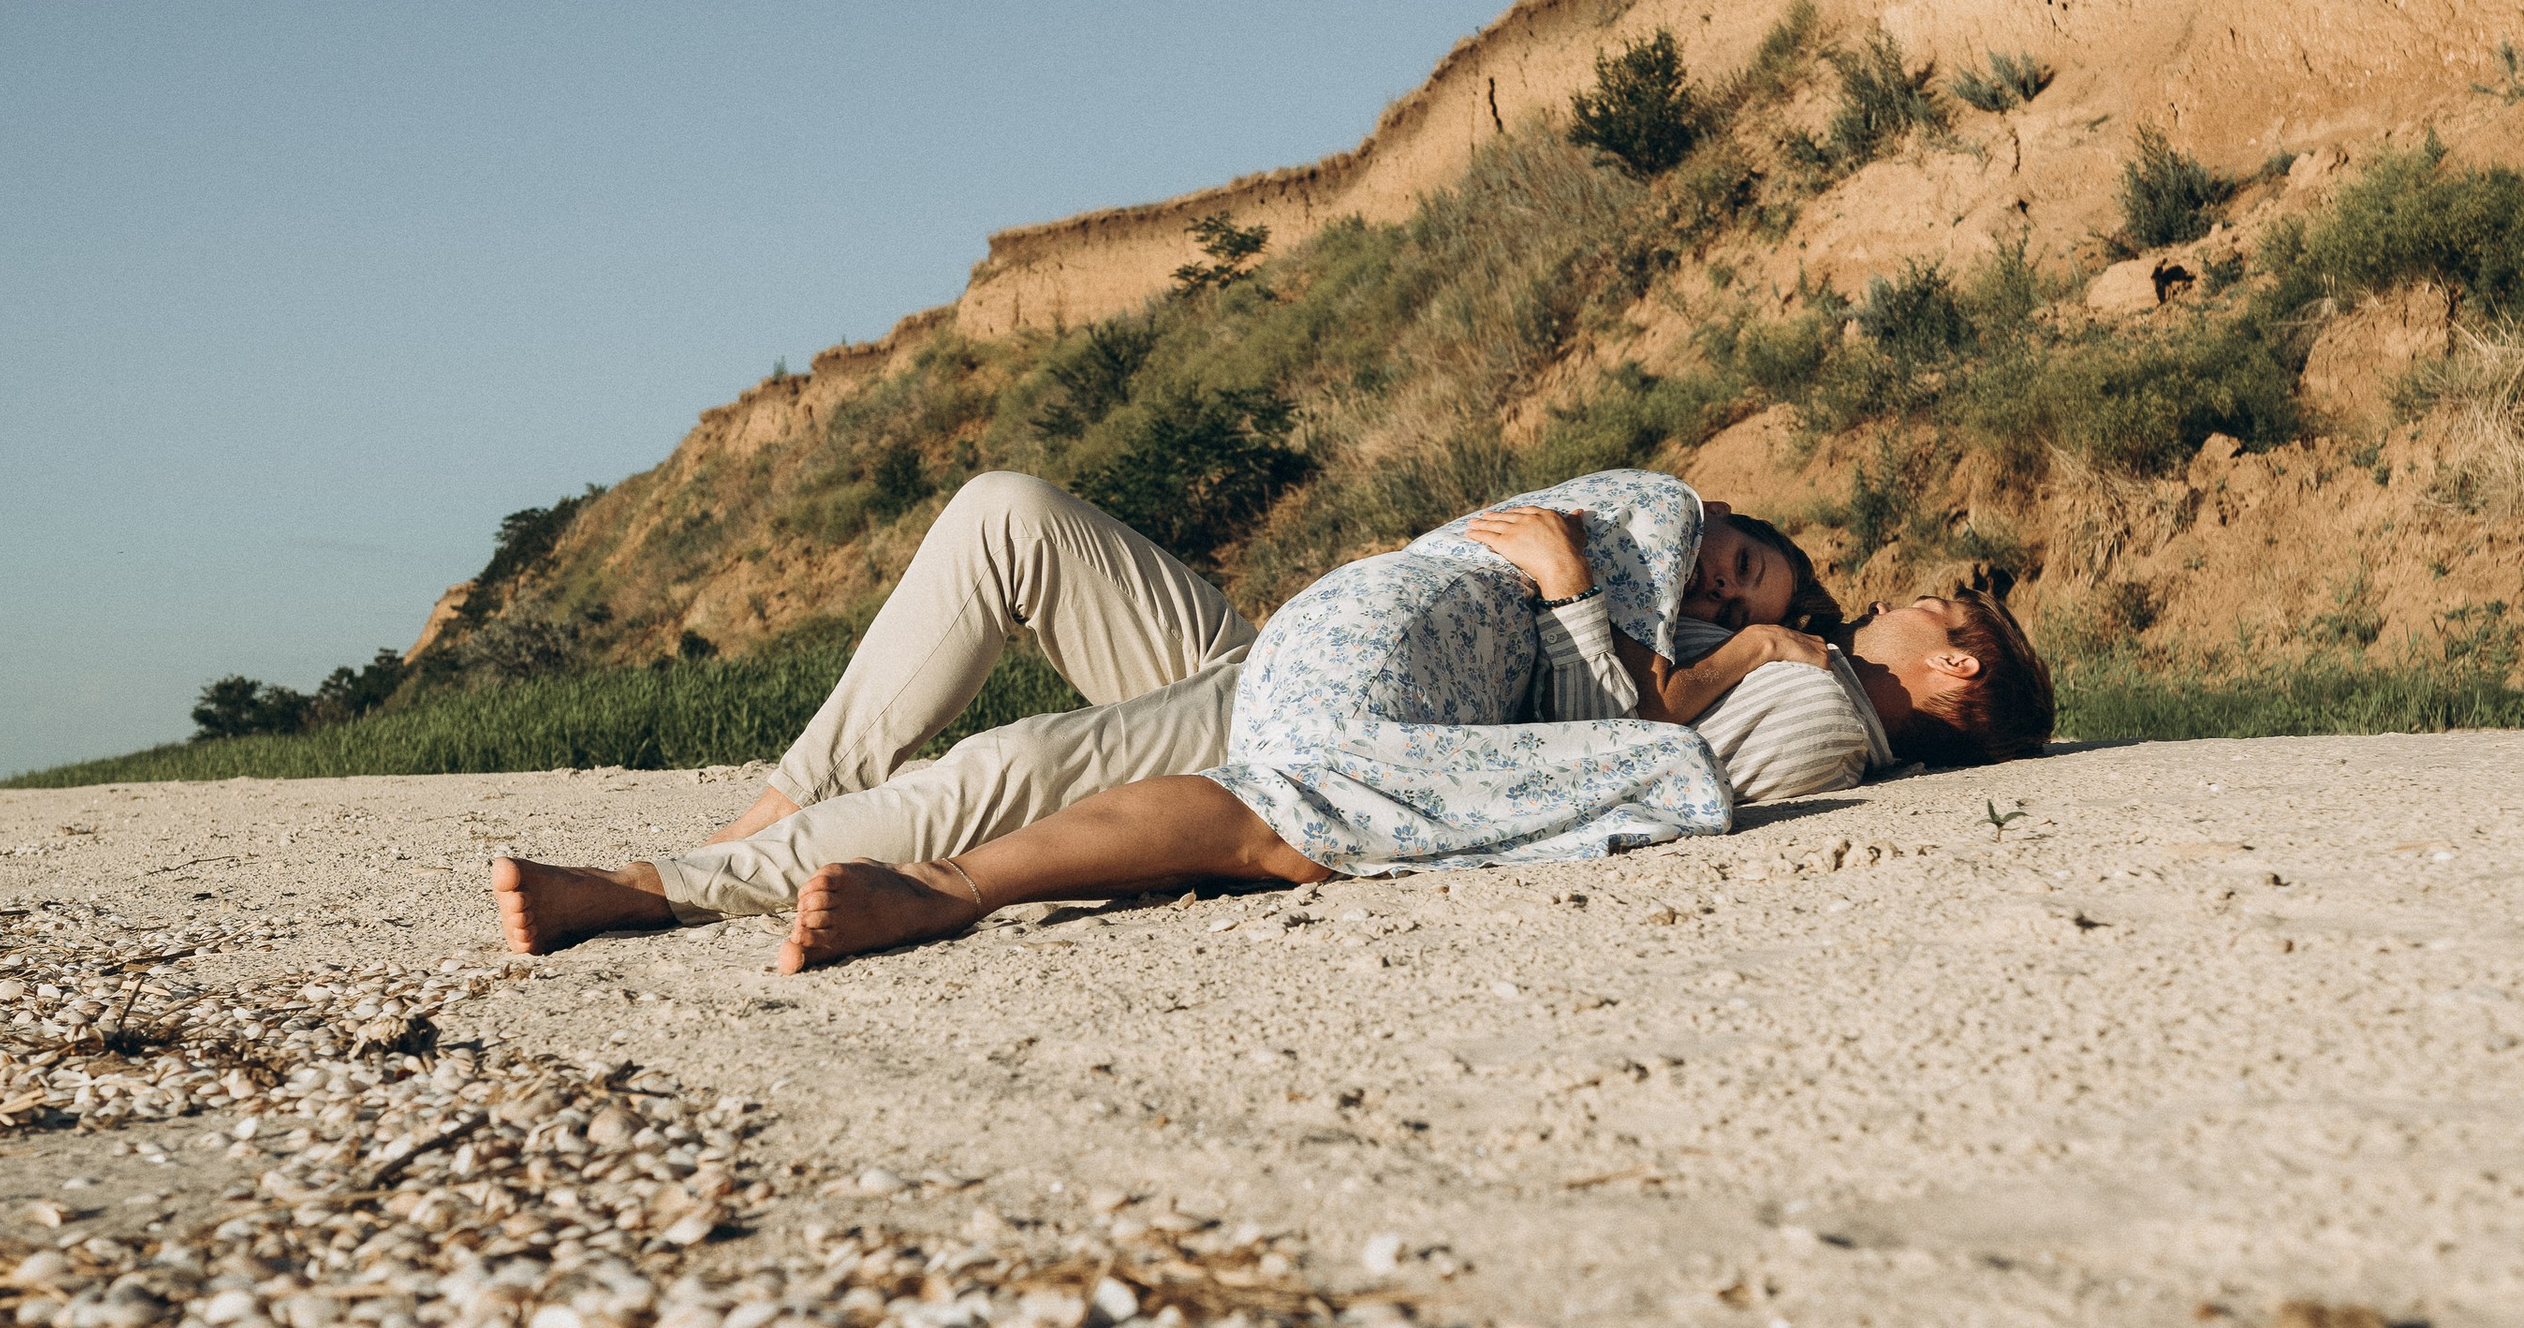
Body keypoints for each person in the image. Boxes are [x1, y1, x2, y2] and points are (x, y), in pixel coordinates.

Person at [492, 469, 2046, 960]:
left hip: (1362, 717)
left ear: (1957, 667)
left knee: (1012, 768)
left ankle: (661, 886)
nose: (1719, 575)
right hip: (1294, 639)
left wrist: (1587, 597)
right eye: (1727, 554)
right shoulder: (1677, 569)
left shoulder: (1783, 677)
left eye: (1750, 578)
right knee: (1004, 510)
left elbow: (1610, 742)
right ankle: (774, 813)